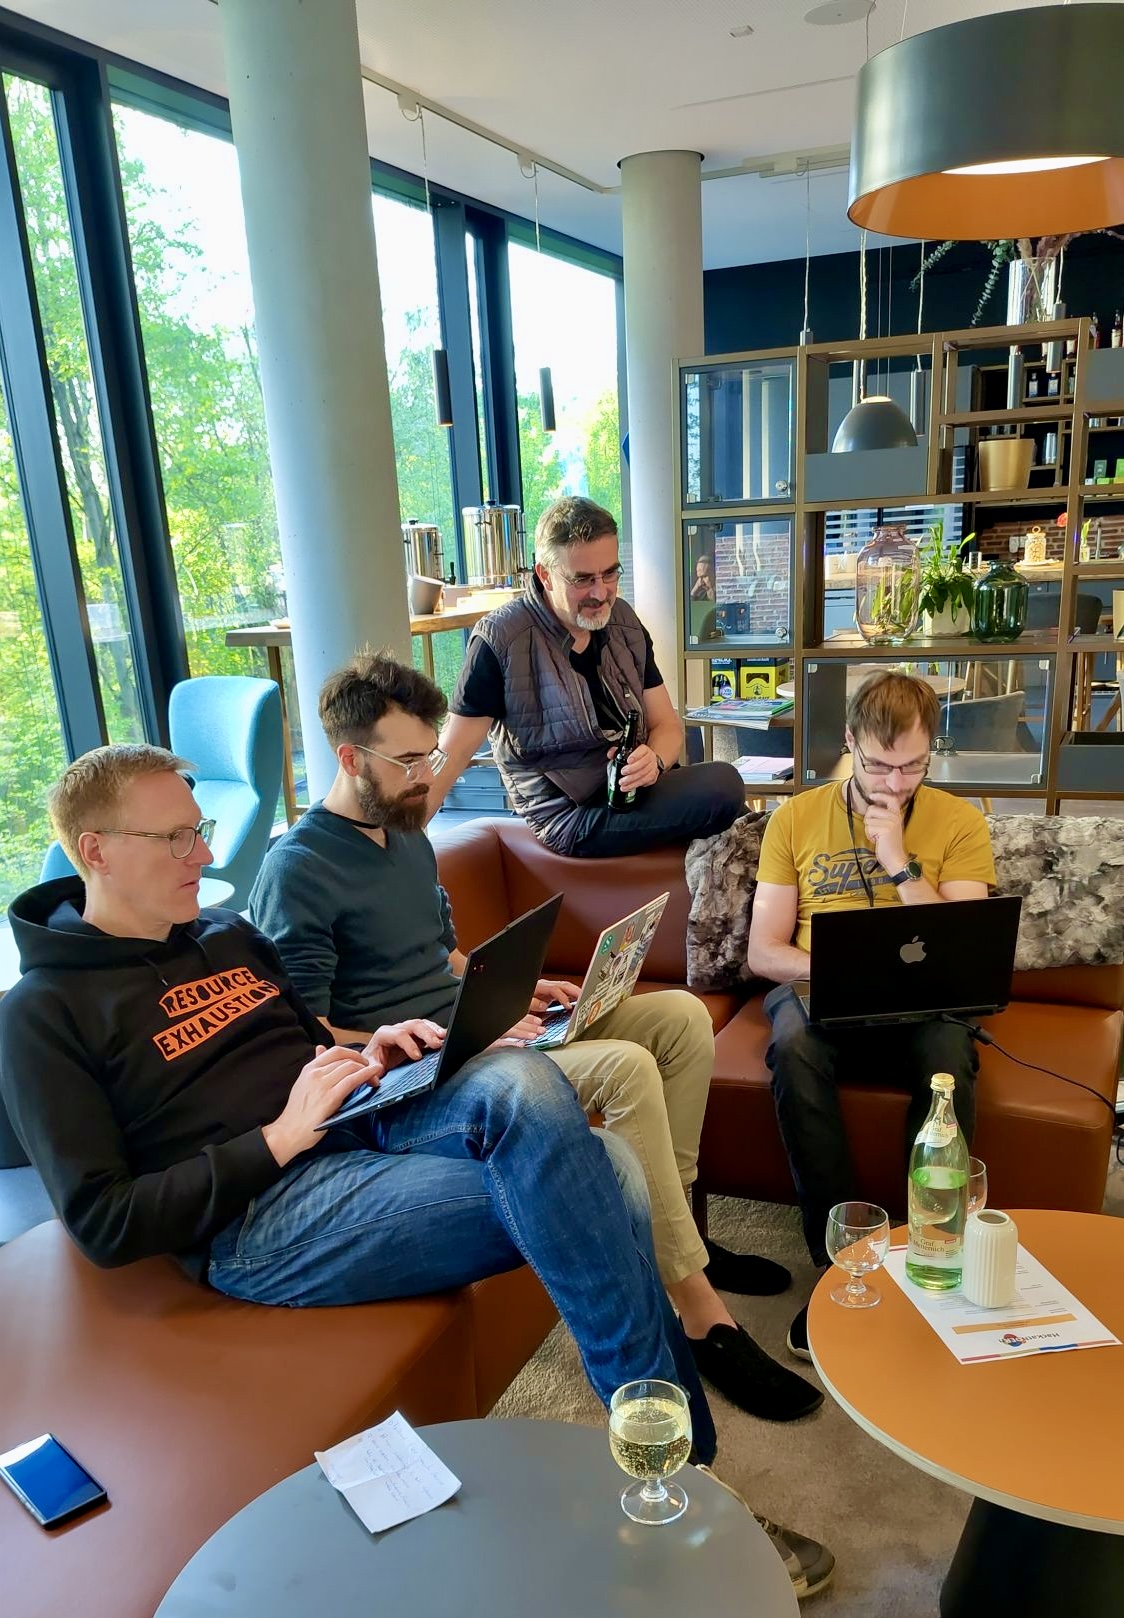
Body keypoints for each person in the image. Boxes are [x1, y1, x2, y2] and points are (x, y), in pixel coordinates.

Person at [1, 743, 834, 1602]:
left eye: (199, 829)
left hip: (357, 1120)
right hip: (259, 1219)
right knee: (609, 1167)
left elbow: (309, 1045)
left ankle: (671, 1469)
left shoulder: (226, 935)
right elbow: (103, 1222)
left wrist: (371, 1049)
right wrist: (277, 1140)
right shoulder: (42, 1014)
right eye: (176, 838)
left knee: (523, 1078)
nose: (206, 853)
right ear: (95, 850)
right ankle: (684, 1478)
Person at [248, 651, 823, 1427]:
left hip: (480, 1029)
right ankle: (695, 1307)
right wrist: (450, 1036)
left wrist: (514, 989)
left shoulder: (406, 831)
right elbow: (309, 1036)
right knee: (625, 1068)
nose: (426, 777)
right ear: (351, 759)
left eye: (431, 756)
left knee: (681, 1019)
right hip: (416, 1078)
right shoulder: (298, 868)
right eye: (409, 761)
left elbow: (440, 954)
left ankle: (678, 1231)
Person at [747, 672, 996, 1360]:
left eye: (913, 765)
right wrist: (840, 972)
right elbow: (764, 951)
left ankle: (930, 1254)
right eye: (881, 766)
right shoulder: (795, 818)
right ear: (850, 743)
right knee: (792, 1048)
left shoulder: (959, 820)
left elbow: (962, 949)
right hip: (818, 991)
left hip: (924, 1001)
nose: (896, 783)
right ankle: (843, 1267)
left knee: (949, 1059)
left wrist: (898, 864)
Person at [428, 495, 746, 857]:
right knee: (723, 785)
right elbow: (451, 755)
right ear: (544, 575)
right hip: (570, 816)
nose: (600, 592)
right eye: (582, 579)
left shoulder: (624, 621)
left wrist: (654, 760)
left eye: (610, 573)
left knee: (745, 821)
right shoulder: (501, 640)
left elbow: (667, 725)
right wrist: (397, 849)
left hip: (632, 794)